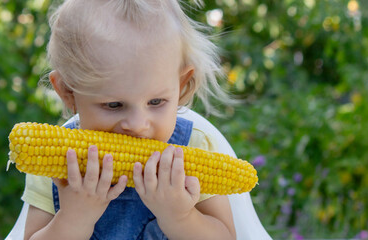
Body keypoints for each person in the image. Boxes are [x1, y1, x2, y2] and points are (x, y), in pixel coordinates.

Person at [15, 0, 269, 239]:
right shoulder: (58, 167)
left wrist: (181, 217)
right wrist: (72, 219)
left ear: (180, 85)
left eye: (156, 102)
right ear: (68, 93)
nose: (137, 125)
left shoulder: (194, 146)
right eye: (114, 105)